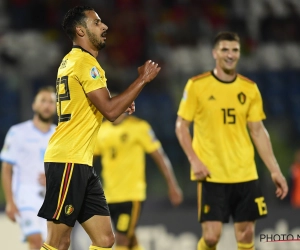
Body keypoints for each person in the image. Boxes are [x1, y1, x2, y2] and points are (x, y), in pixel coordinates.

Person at [37, 5, 161, 250]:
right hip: (68, 160)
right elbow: (111, 112)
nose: (104, 27)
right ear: (81, 31)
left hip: (81, 162)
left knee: (105, 240)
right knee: (58, 242)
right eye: (97, 23)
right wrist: (143, 79)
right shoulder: (84, 63)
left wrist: (119, 103)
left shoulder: (71, 61)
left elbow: (101, 106)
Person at [175, 32, 288, 250]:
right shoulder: (197, 85)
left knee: (245, 236)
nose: (230, 54)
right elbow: (181, 126)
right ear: (214, 53)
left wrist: (275, 170)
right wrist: (194, 160)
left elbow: (258, 131)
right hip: (211, 173)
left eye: (235, 50)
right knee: (210, 236)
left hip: (244, 171)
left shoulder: (249, 89)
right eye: (225, 49)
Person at [93, 112, 183, 250]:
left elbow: (159, 156)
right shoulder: (101, 131)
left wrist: (172, 185)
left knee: (121, 238)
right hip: (110, 196)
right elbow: (90, 160)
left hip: (132, 195)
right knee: (130, 238)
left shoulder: (139, 127)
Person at [0, 86, 56, 250]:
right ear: (34, 105)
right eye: (43, 101)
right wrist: (10, 202)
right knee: (36, 241)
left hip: (51, 197)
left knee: (50, 245)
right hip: (25, 195)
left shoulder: (59, 135)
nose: (47, 105)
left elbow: (69, 167)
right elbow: (6, 169)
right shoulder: (18, 132)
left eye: (51, 102)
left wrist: (54, 179)